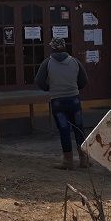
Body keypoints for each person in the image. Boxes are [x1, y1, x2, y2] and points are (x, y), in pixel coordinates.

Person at [34, 37, 90, 169]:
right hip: (74, 99)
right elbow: (84, 80)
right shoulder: (74, 62)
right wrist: (74, 88)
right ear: (65, 47)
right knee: (78, 128)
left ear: (52, 48)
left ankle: (68, 161)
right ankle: (84, 160)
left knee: (64, 129)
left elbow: (39, 81)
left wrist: (49, 88)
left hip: (57, 100)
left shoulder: (47, 63)